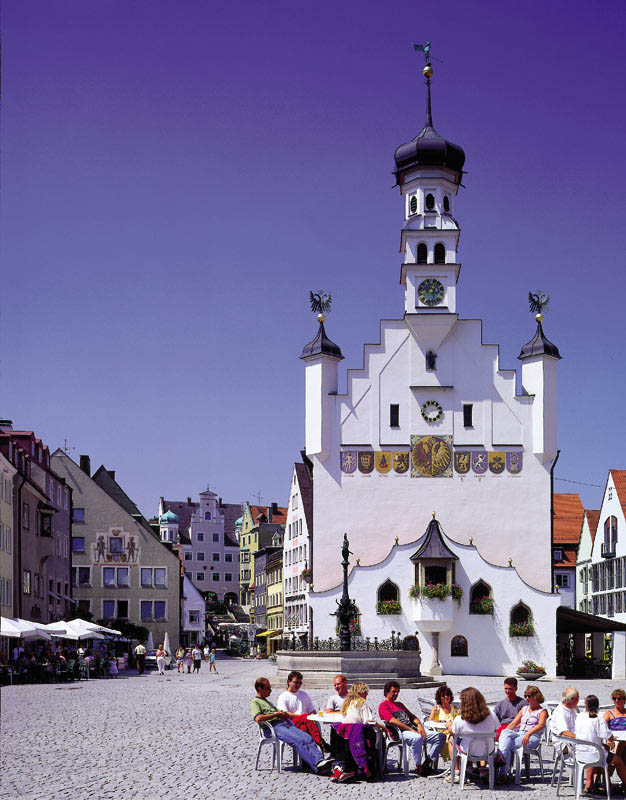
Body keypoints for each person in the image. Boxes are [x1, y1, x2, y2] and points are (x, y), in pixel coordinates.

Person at [251, 677, 334, 775]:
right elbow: (258, 718)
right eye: (268, 688)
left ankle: (320, 760)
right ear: (260, 689)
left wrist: (283, 714)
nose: (270, 690)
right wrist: (276, 715)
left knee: (307, 738)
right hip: (274, 727)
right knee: (298, 740)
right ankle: (316, 765)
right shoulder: (255, 702)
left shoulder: (267, 701)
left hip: (285, 724)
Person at [379, 680, 445, 775]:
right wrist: (411, 729)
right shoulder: (383, 705)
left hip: (414, 730)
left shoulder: (400, 704)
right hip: (400, 733)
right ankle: (418, 767)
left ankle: (426, 764)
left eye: (397, 692)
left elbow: (413, 717)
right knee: (417, 738)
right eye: (394, 691)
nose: (396, 694)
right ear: (386, 692)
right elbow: (392, 720)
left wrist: (419, 726)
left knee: (440, 736)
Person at [335, 683, 386, 782]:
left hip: (346, 734)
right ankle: (379, 767)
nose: (367, 695)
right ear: (361, 692)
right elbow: (369, 721)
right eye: (365, 692)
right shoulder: (362, 703)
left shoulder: (347, 703)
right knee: (379, 737)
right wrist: (382, 726)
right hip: (358, 733)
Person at [447, 687, 498, 784]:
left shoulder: (460, 719)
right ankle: (481, 768)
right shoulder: (491, 714)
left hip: (468, 751)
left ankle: (456, 771)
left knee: (451, 739)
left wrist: (449, 725)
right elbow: (496, 727)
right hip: (488, 750)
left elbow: (453, 732)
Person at [498, 685, 547, 782]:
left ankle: (502, 772)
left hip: (532, 737)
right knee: (505, 733)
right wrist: (504, 734)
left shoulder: (542, 711)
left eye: (529, 696)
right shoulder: (524, 709)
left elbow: (541, 725)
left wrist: (528, 734)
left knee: (508, 744)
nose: (527, 698)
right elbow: (513, 723)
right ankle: (502, 764)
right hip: (520, 733)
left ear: (536, 696)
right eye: (525, 696)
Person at [575, 694, 623, 794]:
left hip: (580, 753)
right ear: (598, 705)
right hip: (595, 755)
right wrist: (611, 738)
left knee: (602, 749)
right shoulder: (598, 718)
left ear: (586, 705)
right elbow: (605, 734)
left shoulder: (579, 717)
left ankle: (592, 784)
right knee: (617, 759)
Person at [277, 671, 330, 754]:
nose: (298, 685)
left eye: (300, 683)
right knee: (306, 718)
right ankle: (321, 743)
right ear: (289, 682)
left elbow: (312, 710)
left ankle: (308, 759)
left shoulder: (304, 694)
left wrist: (313, 716)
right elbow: (284, 714)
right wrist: (302, 716)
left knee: (304, 729)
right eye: (296, 682)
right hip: (291, 723)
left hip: (305, 723)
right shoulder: (283, 696)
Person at [429, 686, 459, 763]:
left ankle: (456, 766)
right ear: (439, 697)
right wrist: (441, 722)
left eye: (448, 695)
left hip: (453, 733)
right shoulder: (437, 709)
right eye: (443, 695)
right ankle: (454, 766)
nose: (446, 697)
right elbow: (430, 721)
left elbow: (460, 720)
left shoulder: (455, 708)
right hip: (442, 735)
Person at [604, 689, 626, 790]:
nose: (617, 701)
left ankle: (607, 780)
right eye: (614, 699)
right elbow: (602, 728)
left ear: (624, 700)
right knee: (619, 745)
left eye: (619, 699)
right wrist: (609, 739)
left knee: (620, 745)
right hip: (615, 740)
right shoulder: (609, 714)